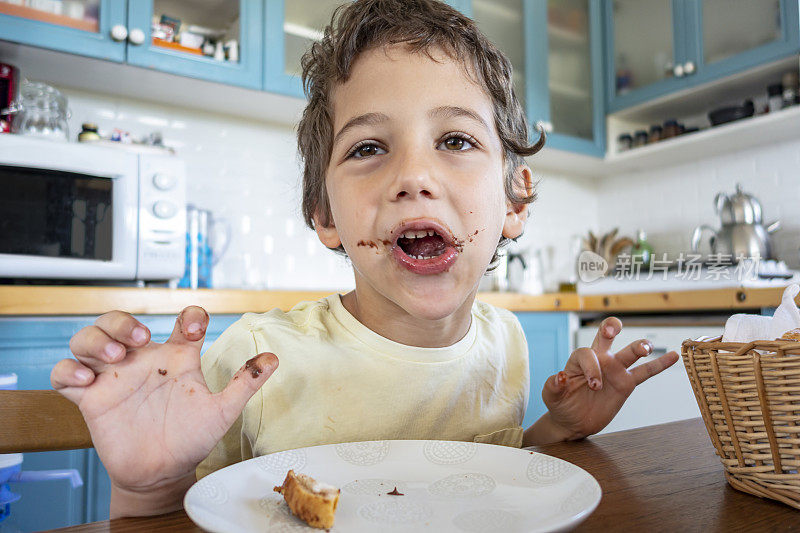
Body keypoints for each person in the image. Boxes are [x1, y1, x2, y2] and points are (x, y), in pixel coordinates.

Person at [50, 0, 679, 518]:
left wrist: (558, 431)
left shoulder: (506, 343)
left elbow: (486, 478)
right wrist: (148, 487)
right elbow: (194, 511)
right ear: (325, 215)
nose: (414, 176)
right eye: (370, 147)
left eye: (456, 140)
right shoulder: (258, 359)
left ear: (515, 201)